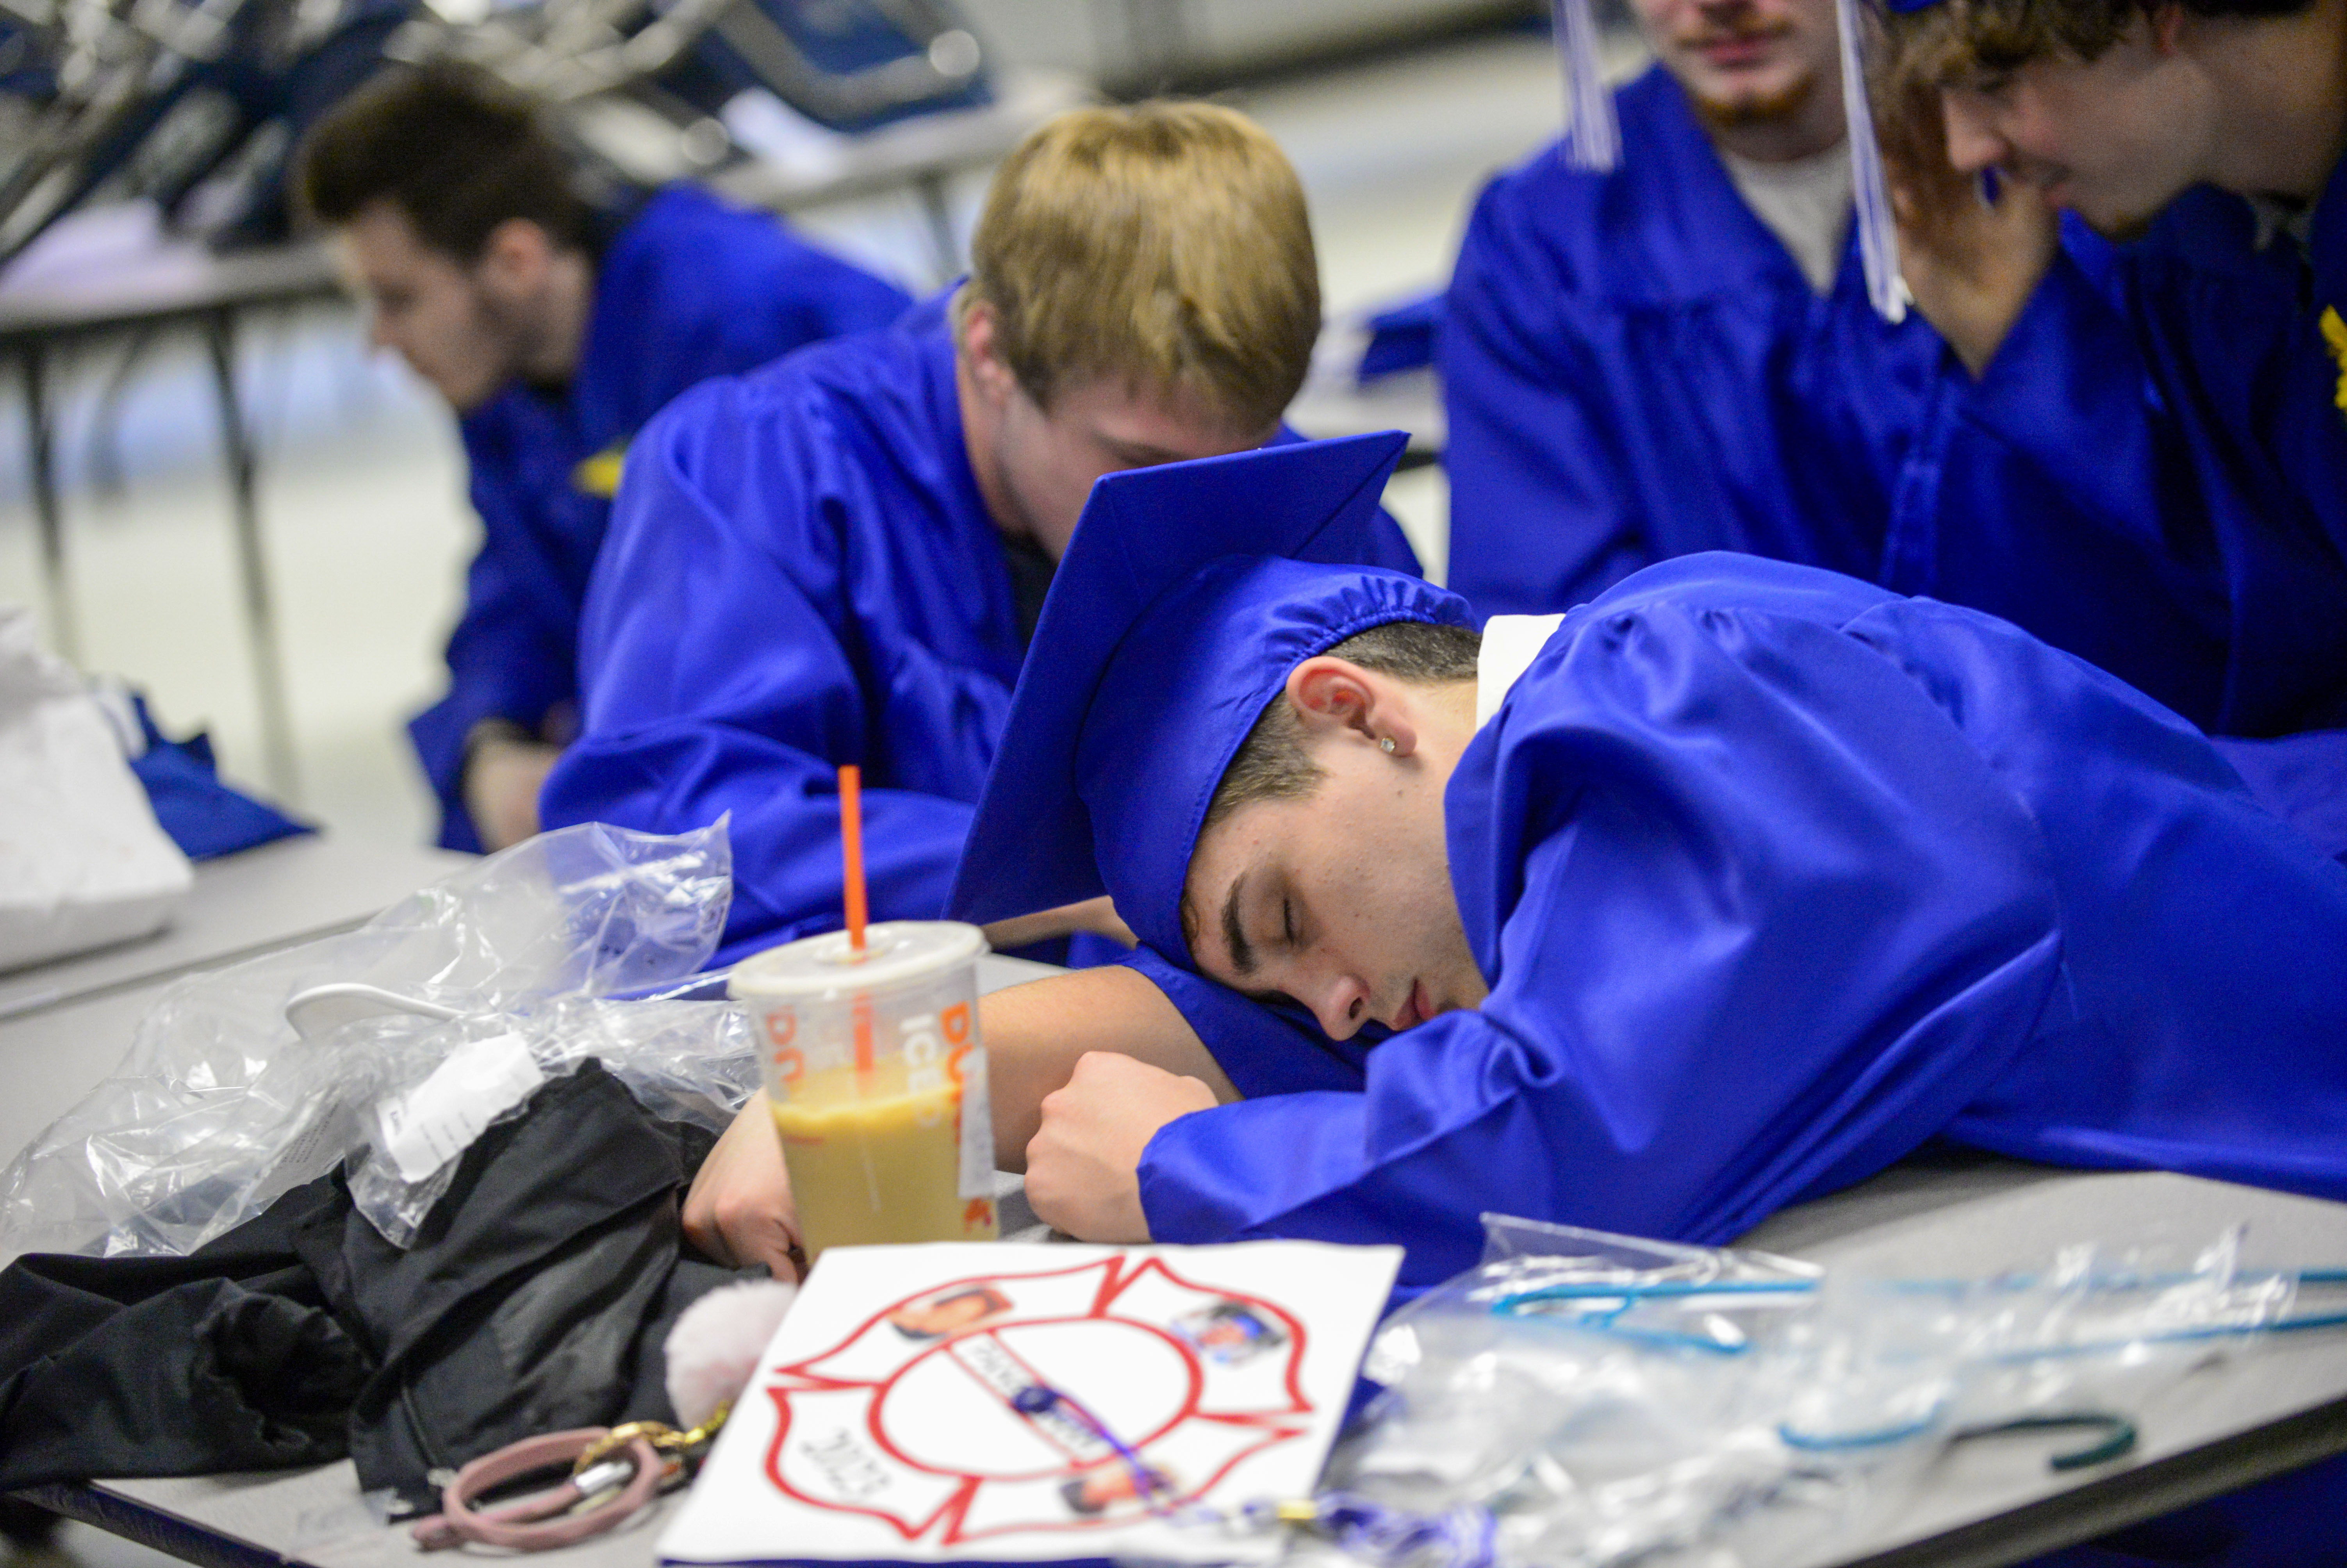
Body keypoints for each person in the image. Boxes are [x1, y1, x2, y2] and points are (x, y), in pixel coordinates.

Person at [536, 102, 1418, 959]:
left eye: (1243, 451)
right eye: (1139, 464)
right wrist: (1062, 882)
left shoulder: (1293, 493)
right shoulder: (751, 469)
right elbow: (658, 847)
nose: (1195, 511)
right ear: (991, 351)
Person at [1439, 0, 2277, 739]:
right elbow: (1554, 647)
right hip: (1766, 824)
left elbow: (2242, 587)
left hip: (2101, 773)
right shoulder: (1544, 248)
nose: (1718, 5)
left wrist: (2022, 342)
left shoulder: (2058, 163)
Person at [296, 63, 912, 853]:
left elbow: (859, 640)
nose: (377, 342)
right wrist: (490, 739)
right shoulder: (503, 371)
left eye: (397, 298)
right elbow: (519, 581)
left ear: (514, 260)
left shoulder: (743, 332)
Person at [1862, 0, 2347, 752]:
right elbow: (2273, 631)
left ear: (2158, 14)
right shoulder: (2205, 236)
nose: (1961, 150)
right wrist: (2020, 341)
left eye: (1995, 82)